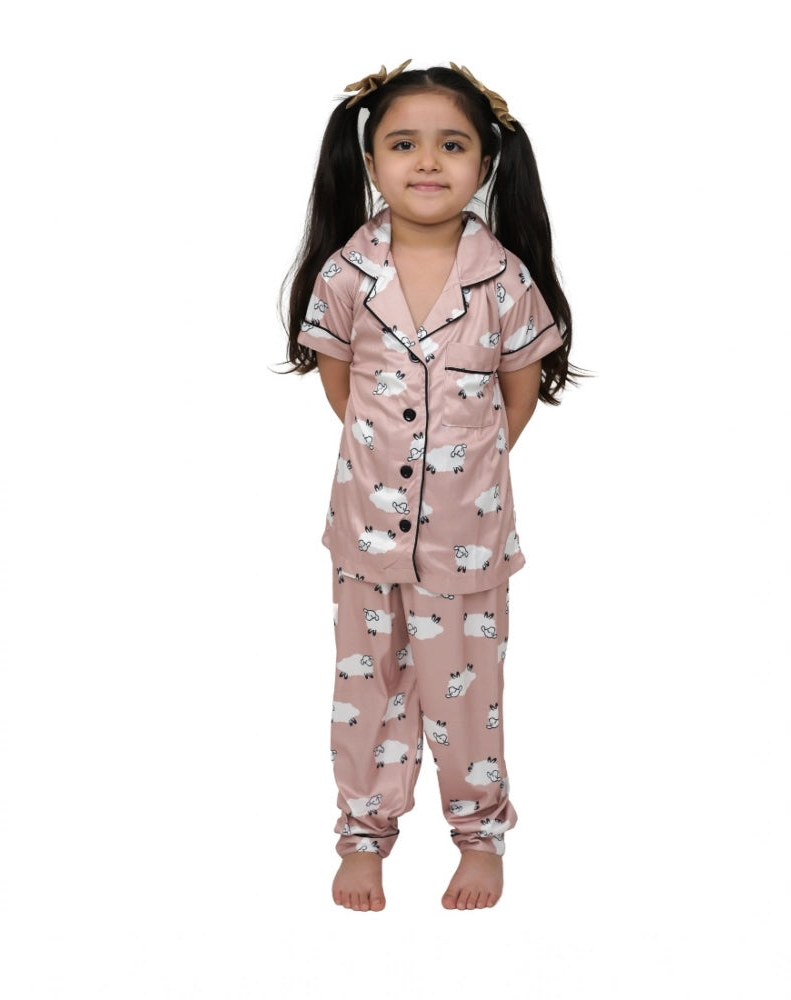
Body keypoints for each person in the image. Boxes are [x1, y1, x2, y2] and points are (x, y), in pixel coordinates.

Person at [281, 60, 581, 912]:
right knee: (366, 687)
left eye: (451, 145)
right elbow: (343, 390)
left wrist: (465, 468)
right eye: (403, 143)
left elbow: (516, 397)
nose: (426, 161)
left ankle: (479, 835)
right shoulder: (345, 273)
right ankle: (363, 836)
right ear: (370, 160)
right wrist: (386, 465)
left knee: (467, 691)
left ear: (486, 163)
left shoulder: (505, 279)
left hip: (467, 535)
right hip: (365, 528)